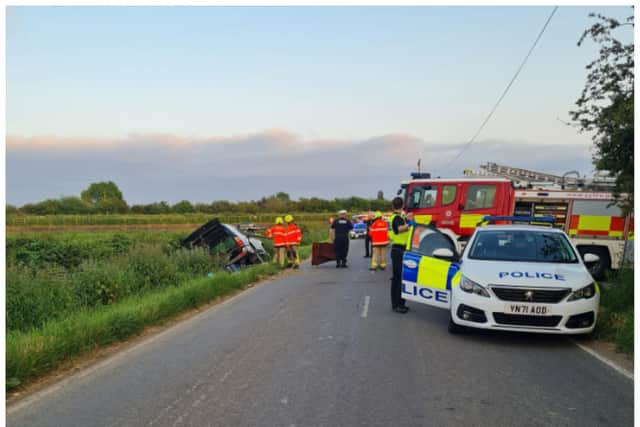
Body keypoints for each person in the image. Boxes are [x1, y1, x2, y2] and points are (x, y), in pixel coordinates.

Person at [388, 197, 415, 313]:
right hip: (398, 250)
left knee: (400, 278)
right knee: (398, 279)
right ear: (403, 205)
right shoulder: (397, 218)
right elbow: (399, 229)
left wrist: (407, 219)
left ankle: (400, 303)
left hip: (400, 250)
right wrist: (409, 223)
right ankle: (397, 304)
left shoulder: (398, 217)